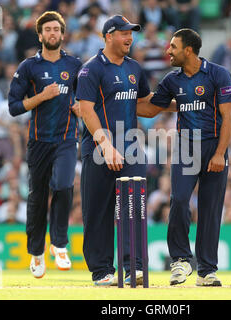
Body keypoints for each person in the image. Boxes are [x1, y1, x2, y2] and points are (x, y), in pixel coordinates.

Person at [76, 15, 172, 286]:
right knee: (99, 210)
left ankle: (133, 268)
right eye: (124, 33)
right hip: (98, 147)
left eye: (131, 33)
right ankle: (102, 270)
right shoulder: (91, 69)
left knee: (134, 208)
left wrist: (179, 103)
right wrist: (105, 145)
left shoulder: (134, 68)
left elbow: (142, 105)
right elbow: (86, 108)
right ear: (108, 36)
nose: (130, 38)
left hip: (131, 146)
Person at [147, 28, 231, 286]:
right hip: (186, 147)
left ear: (188, 50)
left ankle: (206, 270)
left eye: (172, 47)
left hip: (214, 147)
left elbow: (228, 116)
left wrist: (220, 153)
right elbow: (152, 107)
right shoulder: (172, 80)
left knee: (210, 209)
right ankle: (180, 260)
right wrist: (120, 100)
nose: (168, 51)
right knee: (179, 199)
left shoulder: (218, 74)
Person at [8, 11, 82, 279]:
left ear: (62, 34)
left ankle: (59, 244)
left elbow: (86, 100)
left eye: (56, 29)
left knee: (64, 186)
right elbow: (14, 107)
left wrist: (79, 107)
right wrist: (41, 96)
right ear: (40, 35)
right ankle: (36, 252)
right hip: (38, 141)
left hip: (65, 139)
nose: (52, 33)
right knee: (37, 197)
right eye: (47, 30)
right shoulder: (29, 67)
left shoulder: (75, 65)